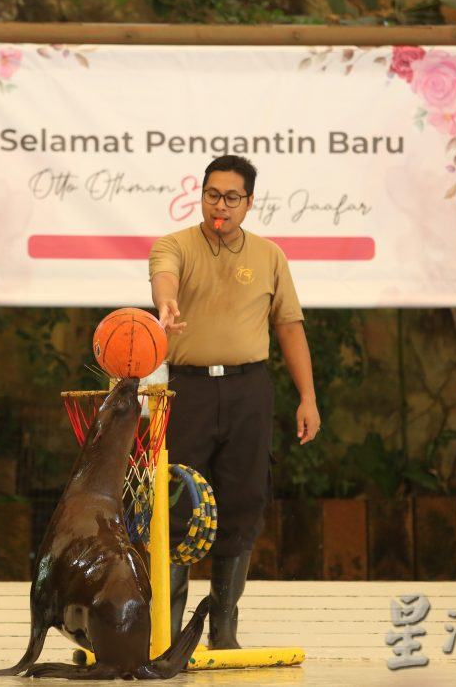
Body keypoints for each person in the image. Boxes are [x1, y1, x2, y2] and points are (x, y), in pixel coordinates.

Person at [148, 154, 320, 649]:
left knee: (242, 502)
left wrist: (307, 398)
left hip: (249, 391)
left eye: (230, 197)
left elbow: (289, 326)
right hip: (189, 390)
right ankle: (168, 634)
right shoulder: (175, 245)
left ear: (248, 202)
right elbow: (164, 276)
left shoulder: (269, 256)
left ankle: (223, 630)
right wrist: (166, 303)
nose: (219, 206)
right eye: (211, 195)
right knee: (177, 503)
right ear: (200, 195)